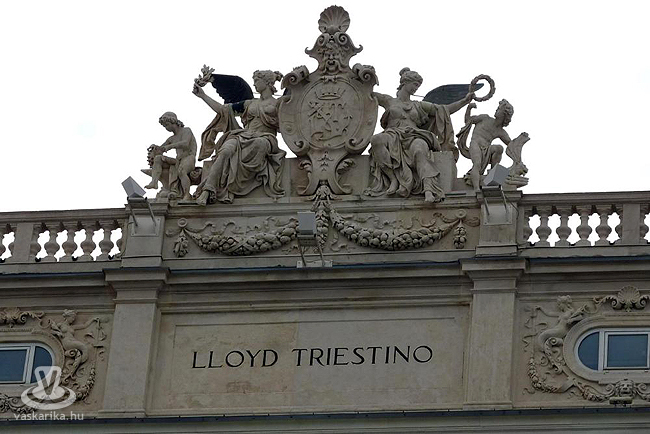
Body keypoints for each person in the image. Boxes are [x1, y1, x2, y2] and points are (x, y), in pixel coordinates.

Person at [365, 68, 473, 203]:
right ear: (405, 82)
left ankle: (428, 189)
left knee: (419, 150)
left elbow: (444, 110)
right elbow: (366, 93)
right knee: (376, 140)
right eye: (415, 84)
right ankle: (392, 179)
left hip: (414, 135)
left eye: (418, 86)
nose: (416, 88)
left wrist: (464, 101)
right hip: (392, 135)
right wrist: (363, 75)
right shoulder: (389, 101)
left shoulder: (419, 105)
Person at [193, 70, 286, 205]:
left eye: (256, 81)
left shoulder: (279, 104)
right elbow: (223, 110)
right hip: (244, 136)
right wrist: (203, 96)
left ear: (267, 82)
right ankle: (207, 190)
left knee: (258, 144)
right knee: (225, 150)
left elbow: (290, 123)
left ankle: (232, 186)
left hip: (265, 138)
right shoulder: (249, 104)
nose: (254, 84)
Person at [457, 99, 514, 191]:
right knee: (477, 163)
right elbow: (468, 120)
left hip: (486, 148)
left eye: (499, 109)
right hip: (475, 144)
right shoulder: (485, 118)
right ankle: (476, 189)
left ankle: (494, 178)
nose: (496, 110)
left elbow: (512, 145)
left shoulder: (501, 132)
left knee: (499, 148)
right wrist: (469, 108)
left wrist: (520, 142)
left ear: (504, 115)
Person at [144, 112, 197, 201]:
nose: (166, 128)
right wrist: (155, 148)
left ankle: (187, 194)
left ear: (173, 121)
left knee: (182, 171)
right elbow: (161, 149)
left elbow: (185, 143)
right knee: (158, 158)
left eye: (167, 125)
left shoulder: (186, 130)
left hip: (189, 157)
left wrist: (170, 146)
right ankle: (154, 182)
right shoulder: (171, 139)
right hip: (178, 160)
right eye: (164, 126)